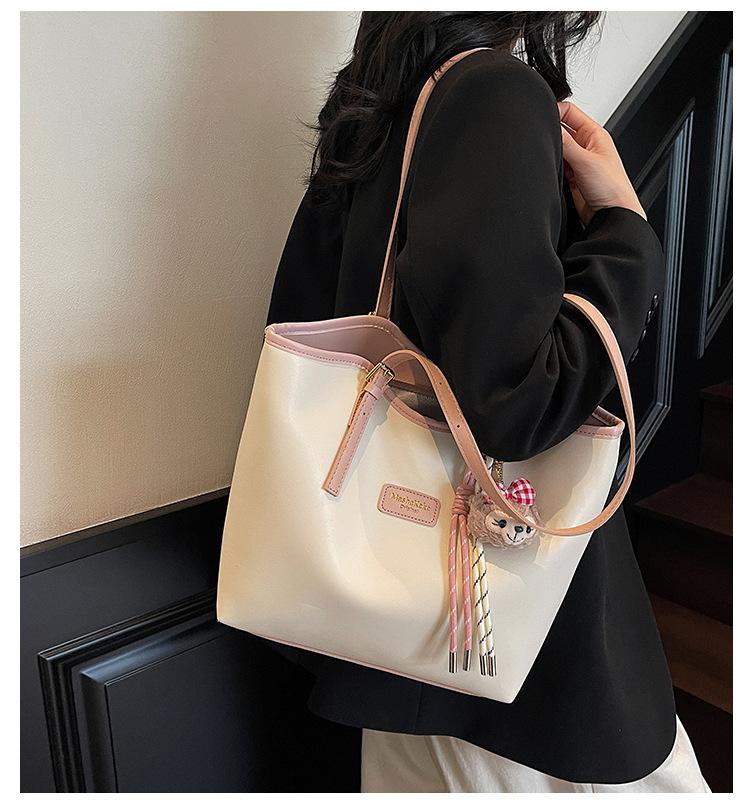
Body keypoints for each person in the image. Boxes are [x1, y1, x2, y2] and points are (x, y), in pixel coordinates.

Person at [265, 12, 710, 793]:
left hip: (395, 625)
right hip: (503, 657)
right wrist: (624, 230)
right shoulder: (492, 92)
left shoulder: (375, 105)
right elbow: (519, 403)